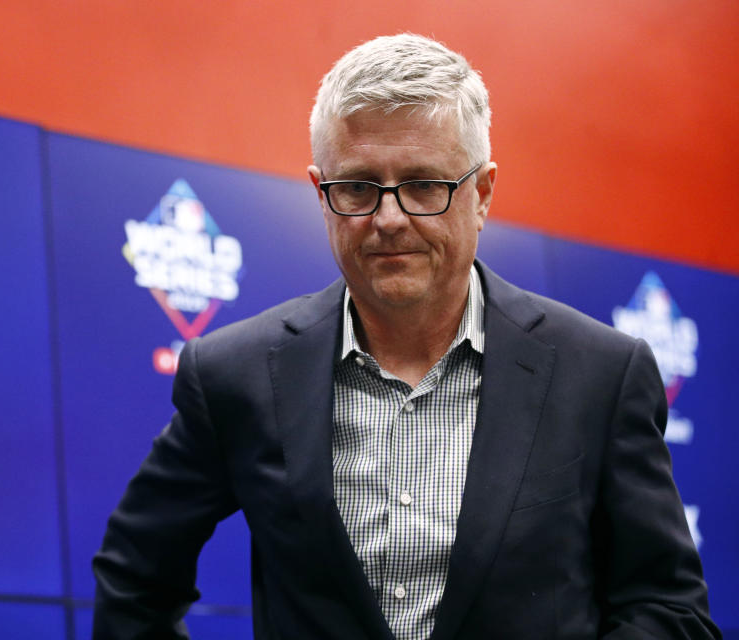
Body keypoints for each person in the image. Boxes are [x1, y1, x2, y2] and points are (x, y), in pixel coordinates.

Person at [93, 34, 719, 639]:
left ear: (482, 194)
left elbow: (668, 609)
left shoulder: (600, 375)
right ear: (321, 193)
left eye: (425, 185)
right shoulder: (236, 373)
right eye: (359, 187)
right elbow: (134, 577)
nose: (389, 219)